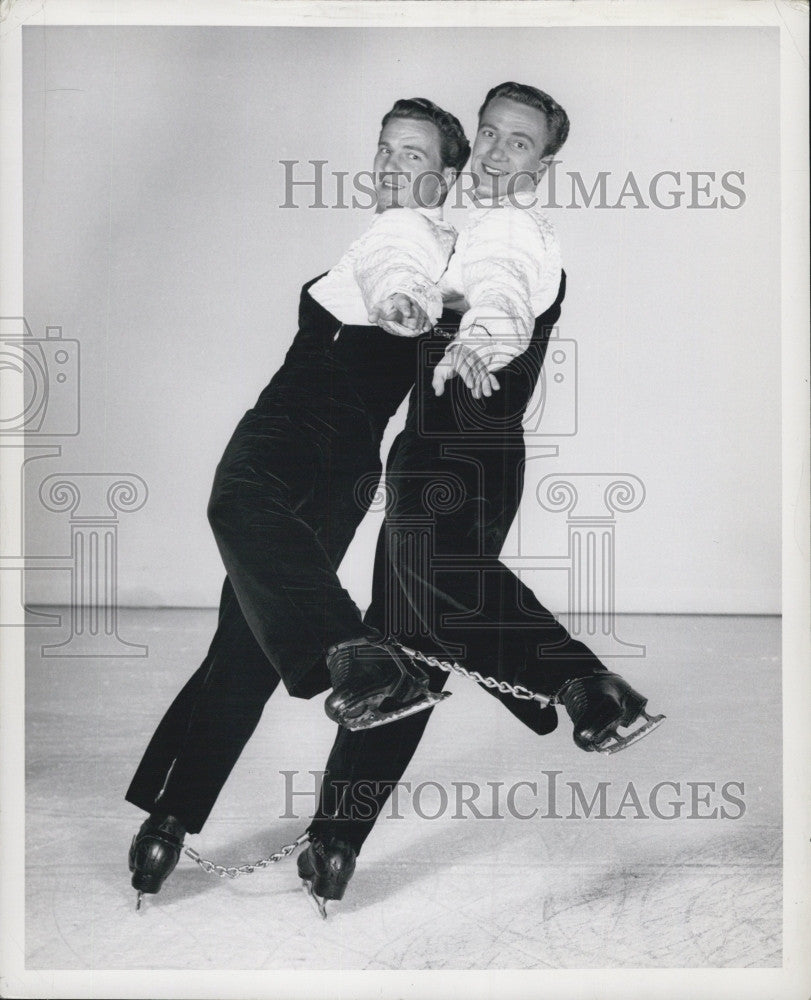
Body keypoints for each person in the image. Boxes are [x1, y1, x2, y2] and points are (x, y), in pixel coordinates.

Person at [299, 82, 665, 913]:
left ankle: (584, 682)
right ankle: (335, 840)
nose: (499, 152)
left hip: (458, 453)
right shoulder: (449, 240)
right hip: (452, 455)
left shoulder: (510, 233)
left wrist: (480, 336)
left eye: (521, 143)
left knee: (423, 612)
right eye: (491, 134)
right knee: (403, 652)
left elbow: (499, 292)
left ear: (542, 167)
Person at [124, 98, 470, 907]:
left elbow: (420, 292)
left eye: (412, 155)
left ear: (446, 175)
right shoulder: (391, 241)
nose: (390, 167)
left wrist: (425, 306)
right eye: (384, 150)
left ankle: (352, 659)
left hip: (305, 439)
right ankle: (178, 818)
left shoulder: (427, 248)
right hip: (320, 443)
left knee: (233, 503)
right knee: (245, 639)